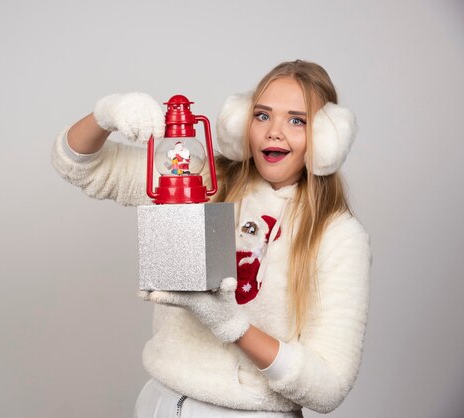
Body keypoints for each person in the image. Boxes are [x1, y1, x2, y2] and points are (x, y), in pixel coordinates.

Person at [51, 60, 371, 417]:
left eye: (297, 120)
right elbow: (78, 165)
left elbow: (328, 386)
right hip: (158, 400)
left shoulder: (339, 235)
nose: (274, 132)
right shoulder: (204, 181)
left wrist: (233, 326)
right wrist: (106, 115)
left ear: (328, 137)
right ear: (243, 122)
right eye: (262, 116)